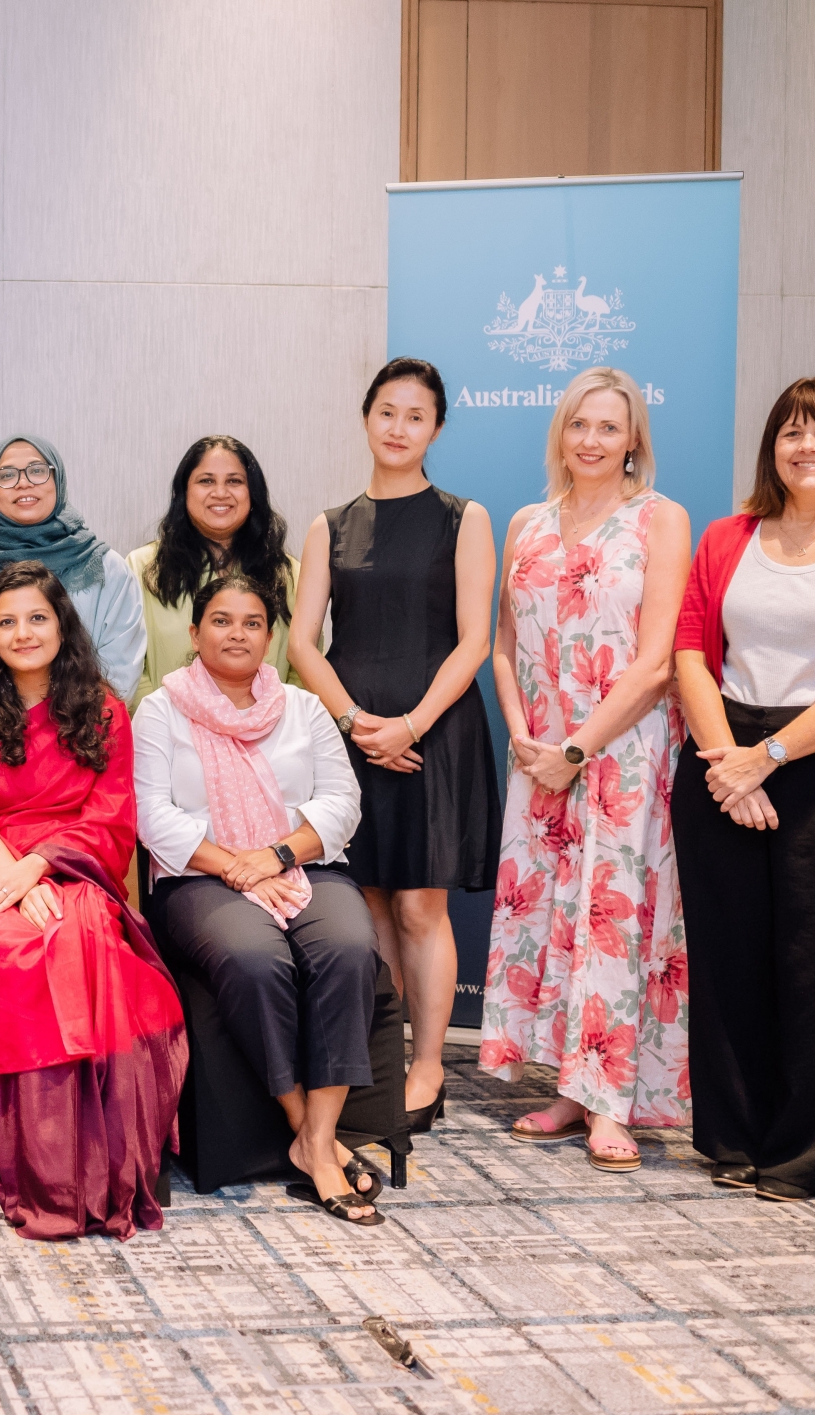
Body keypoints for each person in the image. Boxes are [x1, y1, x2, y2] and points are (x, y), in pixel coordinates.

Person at [673, 376, 815, 1202]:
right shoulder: (727, 536)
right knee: (729, 966)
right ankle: (734, 1137)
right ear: (772, 447)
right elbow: (690, 653)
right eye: (792, 433)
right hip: (721, 761)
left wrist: (764, 758)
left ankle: (808, 1156)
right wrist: (726, 763)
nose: (809, 447)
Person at [0, 561, 186, 1240]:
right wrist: (16, 877)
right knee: (16, 949)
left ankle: (101, 1167)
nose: (22, 632)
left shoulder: (104, 710)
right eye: (6, 621)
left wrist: (41, 867)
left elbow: (110, 817)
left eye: (36, 618)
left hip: (75, 866)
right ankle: (49, 1174)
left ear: (62, 625)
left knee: (86, 941)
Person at [481, 368, 693, 1173]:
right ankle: (570, 1088)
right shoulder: (526, 523)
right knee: (553, 915)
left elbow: (657, 661)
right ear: (561, 433)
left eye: (609, 426)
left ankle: (612, 1101)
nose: (592, 440)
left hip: (621, 755)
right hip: (538, 757)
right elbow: (504, 647)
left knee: (613, 916)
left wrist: (576, 751)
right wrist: (527, 739)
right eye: (579, 424)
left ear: (633, 437)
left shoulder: (660, 519)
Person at [288, 357, 499, 1129]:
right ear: (366, 417)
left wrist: (410, 724)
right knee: (367, 904)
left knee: (417, 905)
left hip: (434, 731)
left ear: (436, 428)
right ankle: (378, 1061)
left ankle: (428, 1066)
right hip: (350, 732)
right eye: (387, 411)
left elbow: (475, 639)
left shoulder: (463, 518)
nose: (399, 427)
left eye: (416, 415)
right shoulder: (329, 525)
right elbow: (303, 642)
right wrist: (354, 723)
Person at [137, 574, 381, 1225]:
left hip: (302, 867)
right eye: (221, 621)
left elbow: (342, 801)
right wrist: (236, 867)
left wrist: (275, 856)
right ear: (194, 634)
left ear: (270, 637)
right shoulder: (160, 710)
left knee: (350, 947)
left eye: (252, 623)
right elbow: (152, 815)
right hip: (197, 877)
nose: (237, 634)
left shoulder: (303, 709)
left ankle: (315, 1141)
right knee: (254, 958)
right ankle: (312, 1134)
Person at [0, 436, 146, 702]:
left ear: (58, 479)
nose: (23, 483)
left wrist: (61, 722)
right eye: (7, 475)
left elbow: (120, 671)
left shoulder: (107, 569)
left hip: (81, 722)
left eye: (37, 470)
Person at [128, 435, 302, 706]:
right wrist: (164, 722)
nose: (220, 493)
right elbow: (132, 670)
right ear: (184, 492)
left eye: (234, 481)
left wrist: (273, 723)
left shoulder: (288, 573)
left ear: (253, 493)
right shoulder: (142, 567)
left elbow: (302, 667)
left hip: (271, 728)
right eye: (206, 481)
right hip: (168, 727)